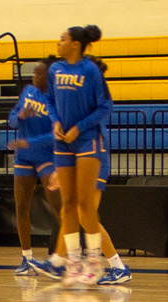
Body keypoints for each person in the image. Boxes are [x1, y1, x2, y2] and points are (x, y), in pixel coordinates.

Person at [49, 25, 132, 288]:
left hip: (87, 141)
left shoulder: (91, 71)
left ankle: (96, 263)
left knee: (86, 207)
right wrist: (54, 121)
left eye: (63, 39)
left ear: (75, 44)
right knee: (68, 205)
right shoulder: (55, 70)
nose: (58, 42)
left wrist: (78, 128)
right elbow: (50, 101)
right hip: (63, 143)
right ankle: (73, 264)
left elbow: (106, 106)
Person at [7, 57, 62, 278]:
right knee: (21, 207)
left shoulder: (56, 100)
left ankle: (64, 257)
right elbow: (12, 119)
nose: (34, 75)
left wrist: (31, 142)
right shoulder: (28, 91)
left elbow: (54, 135)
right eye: (34, 71)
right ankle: (27, 258)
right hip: (23, 157)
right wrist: (20, 115)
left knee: (60, 210)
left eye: (39, 72)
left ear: (48, 77)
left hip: (46, 157)